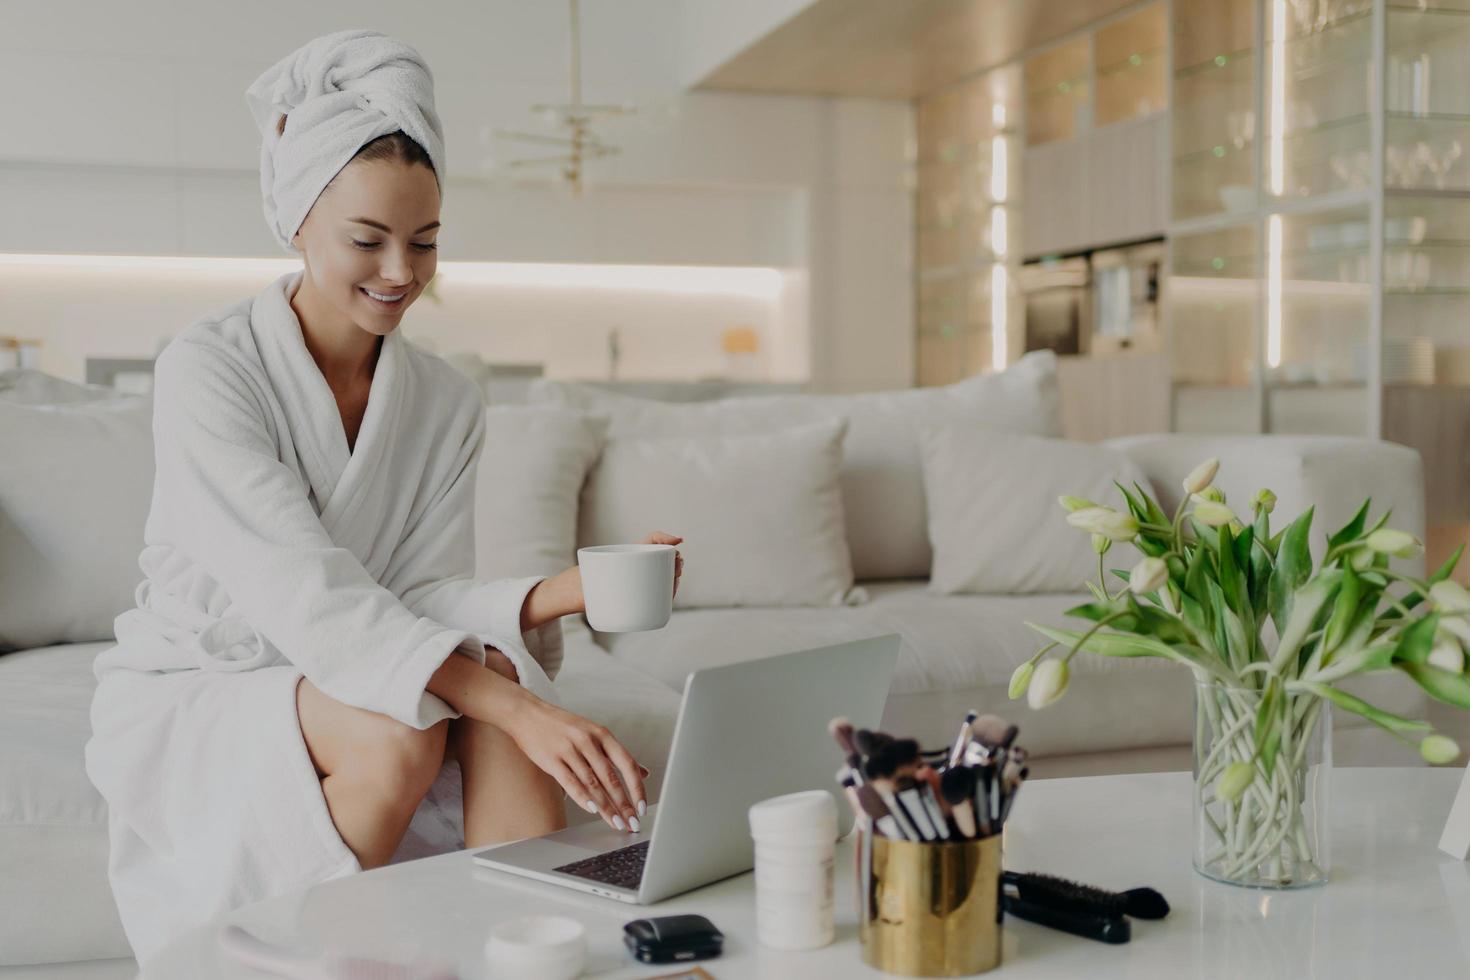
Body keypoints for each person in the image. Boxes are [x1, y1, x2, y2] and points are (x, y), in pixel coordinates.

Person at [82, 28, 681, 965]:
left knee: (498, 672)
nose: (400, 271)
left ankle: (519, 951)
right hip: (214, 678)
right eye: (367, 240)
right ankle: (289, 957)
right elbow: (306, 597)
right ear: (297, 222)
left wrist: (558, 596)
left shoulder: (443, 400)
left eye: (426, 241)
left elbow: (420, 593)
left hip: (353, 655)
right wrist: (517, 707)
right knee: (411, 732)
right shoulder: (209, 369)